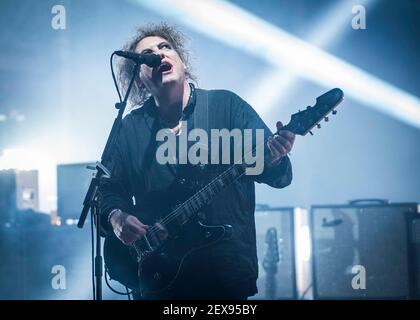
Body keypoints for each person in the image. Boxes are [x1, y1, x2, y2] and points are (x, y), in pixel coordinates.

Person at [99, 22, 295, 300]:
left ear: (183, 62)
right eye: (148, 55)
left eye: (165, 47)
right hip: (157, 277)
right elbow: (107, 190)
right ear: (140, 78)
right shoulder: (131, 128)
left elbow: (279, 176)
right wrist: (116, 217)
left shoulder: (226, 107)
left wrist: (274, 157)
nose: (159, 54)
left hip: (223, 276)